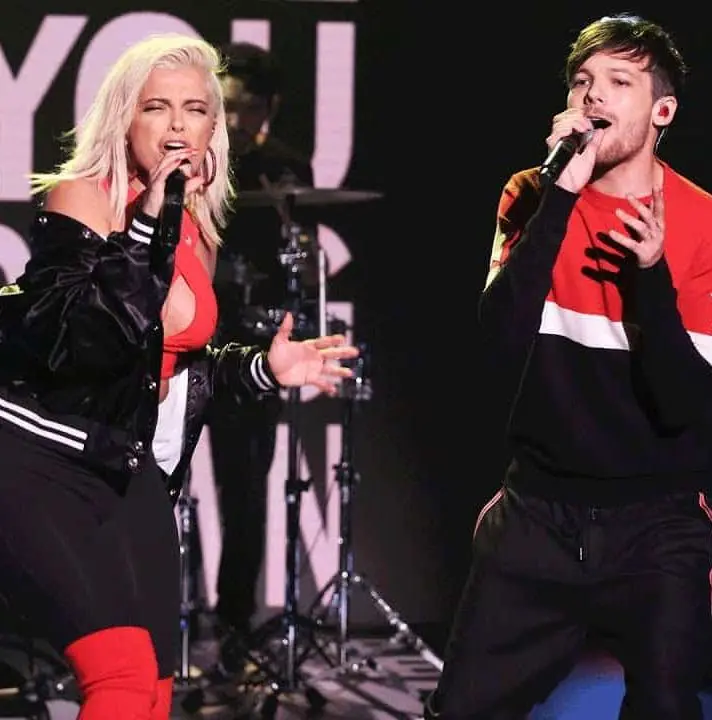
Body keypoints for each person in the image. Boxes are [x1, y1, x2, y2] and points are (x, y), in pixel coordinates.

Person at [0, 33, 358, 720]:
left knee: (156, 691)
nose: (176, 127)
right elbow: (82, 341)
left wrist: (264, 367)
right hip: (42, 460)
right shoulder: (84, 198)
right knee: (122, 678)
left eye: (194, 110)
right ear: (124, 118)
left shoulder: (194, 225)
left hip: (126, 467)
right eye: (156, 107)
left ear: (212, 128)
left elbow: (169, 366)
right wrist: (147, 228)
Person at [425, 13, 712, 720]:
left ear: (663, 111)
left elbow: (685, 403)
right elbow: (499, 342)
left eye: (619, 81)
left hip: (658, 524)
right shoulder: (530, 194)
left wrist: (651, 279)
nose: (594, 95)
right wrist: (560, 194)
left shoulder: (702, 222)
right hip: (538, 515)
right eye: (582, 81)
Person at [207, 41, 318, 676]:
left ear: (269, 107)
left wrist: (289, 223)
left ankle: (233, 626)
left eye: (245, 107)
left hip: (250, 347)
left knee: (245, 490)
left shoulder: (285, 168)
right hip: (184, 338)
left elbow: (302, 264)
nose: (233, 119)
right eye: (223, 105)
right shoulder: (191, 160)